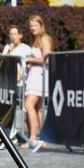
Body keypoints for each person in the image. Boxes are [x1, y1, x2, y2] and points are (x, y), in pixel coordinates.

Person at [23, 15, 54, 149]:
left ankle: (33, 137)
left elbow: (47, 59)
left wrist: (30, 60)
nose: (33, 28)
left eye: (35, 25)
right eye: (31, 26)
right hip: (35, 74)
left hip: (40, 76)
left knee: (29, 104)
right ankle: (42, 137)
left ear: (41, 26)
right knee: (38, 108)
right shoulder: (36, 39)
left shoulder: (45, 38)